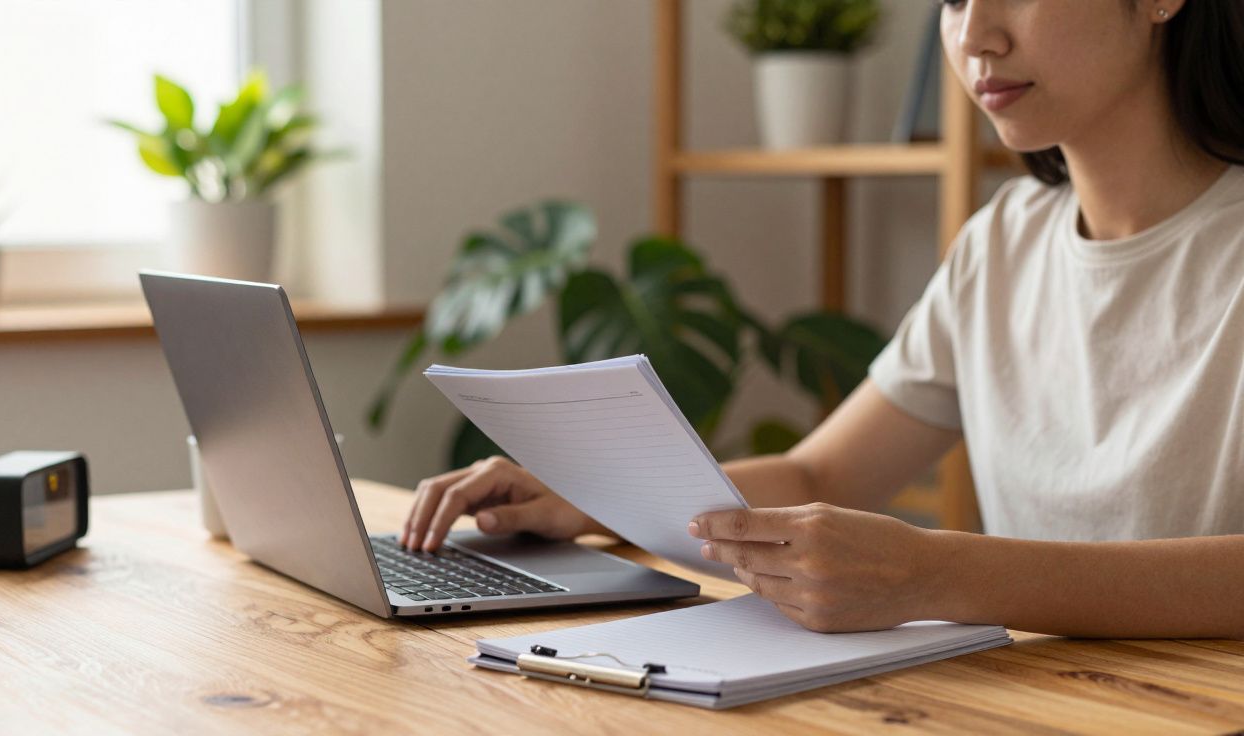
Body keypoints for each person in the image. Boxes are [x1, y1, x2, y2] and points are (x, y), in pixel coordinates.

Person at [400, 0, 1244, 639]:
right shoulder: (1004, 242)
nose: (976, 35)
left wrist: (939, 573)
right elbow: (821, 478)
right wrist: (594, 494)